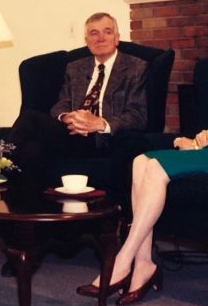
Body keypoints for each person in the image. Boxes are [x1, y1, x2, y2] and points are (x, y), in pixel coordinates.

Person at [77, 0, 208, 306]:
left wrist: (206, 143)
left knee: (156, 166)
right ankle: (145, 262)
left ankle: (124, 259)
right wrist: (207, 134)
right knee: (140, 161)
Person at [8, 12, 149, 193]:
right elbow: (60, 105)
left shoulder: (136, 67)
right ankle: (26, 214)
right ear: (87, 41)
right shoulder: (75, 67)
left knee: (29, 119)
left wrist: (100, 123)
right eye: (93, 33)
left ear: (116, 38)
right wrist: (69, 118)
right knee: (31, 150)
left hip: (106, 138)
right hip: (72, 134)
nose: (100, 38)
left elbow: (137, 115)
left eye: (107, 32)